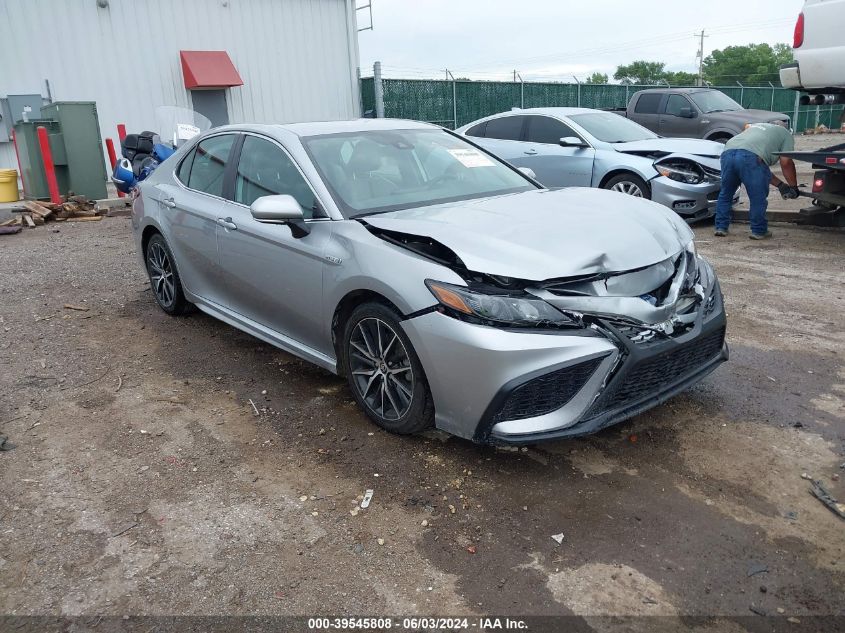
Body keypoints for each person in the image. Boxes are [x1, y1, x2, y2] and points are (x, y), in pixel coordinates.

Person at [714, 122, 799, 240]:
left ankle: (720, 227)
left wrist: (780, 185)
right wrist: (794, 187)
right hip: (750, 156)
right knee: (757, 197)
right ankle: (759, 231)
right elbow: (786, 162)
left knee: (726, 193)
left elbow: (761, 168)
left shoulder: (755, 127)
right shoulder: (785, 134)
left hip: (728, 152)